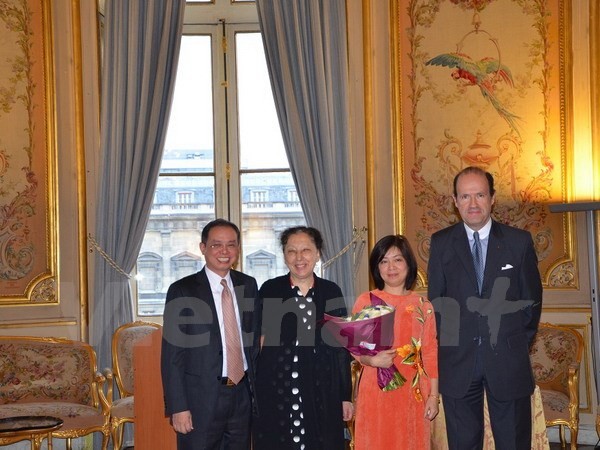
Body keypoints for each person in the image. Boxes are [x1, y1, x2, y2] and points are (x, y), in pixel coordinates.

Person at [427, 166, 543, 450]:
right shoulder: (441, 243)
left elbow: (531, 302)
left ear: (492, 198)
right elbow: (437, 304)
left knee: (513, 443)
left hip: (507, 360)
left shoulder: (518, 242)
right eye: (465, 197)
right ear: (455, 202)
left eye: (480, 195)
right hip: (458, 363)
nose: (473, 203)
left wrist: (514, 342)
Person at [161, 218, 261, 450]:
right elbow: (172, 356)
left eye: (231, 244)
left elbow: (254, 342)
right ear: (203, 248)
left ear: (238, 248)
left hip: (242, 396)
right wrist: (178, 407)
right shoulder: (182, 290)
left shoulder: (248, 285)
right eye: (216, 245)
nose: (224, 251)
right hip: (199, 401)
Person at [252, 226, 353, 450]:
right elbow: (257, 345)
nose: (299, 258)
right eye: (291, 251)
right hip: (276, 392)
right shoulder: (271, 289)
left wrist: (345, 395)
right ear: (284, 255)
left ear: (318, 253)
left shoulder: (330, 291)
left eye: (306, 250)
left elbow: (340, 350)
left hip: (322, 392)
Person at [352, 234, 439, 450]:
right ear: (377, 267)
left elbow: (430, 353)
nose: (391, 267)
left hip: (414, 392)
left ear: (409, 264)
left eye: (398, 259)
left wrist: (434, 396)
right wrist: (373, 361)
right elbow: (354, 348)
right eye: (384, 260)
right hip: (376, 390)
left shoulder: (423, 305)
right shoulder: (367, 301)